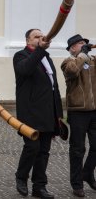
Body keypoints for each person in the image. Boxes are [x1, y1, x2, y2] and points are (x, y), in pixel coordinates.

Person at [13, 29, 63, 199]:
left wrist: (59, 116)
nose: (41, 38)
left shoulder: (46, 57)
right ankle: (21, 177)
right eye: (36, 36)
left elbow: (53, 86)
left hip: (48, 113)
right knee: (32, 147)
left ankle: (39, 186)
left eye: (42, 36)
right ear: (27, 40)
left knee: (44, 151)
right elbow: (25, 70)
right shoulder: (20, 56)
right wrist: (41, 49)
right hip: (30, 112)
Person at [61, 34, 96, 197]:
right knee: (78, 149)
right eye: (80, 44)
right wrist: (82, 54)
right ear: (71, 48)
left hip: (94, 111)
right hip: (78, 112)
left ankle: (87, 173)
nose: (84, 46)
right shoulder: (68, 62)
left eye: (85, 44)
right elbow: (73, 72)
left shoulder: (92, 61)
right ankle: (77, 183)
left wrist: (87, 56)